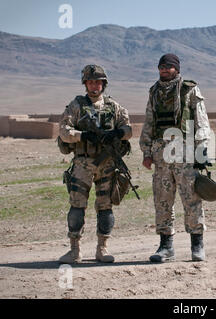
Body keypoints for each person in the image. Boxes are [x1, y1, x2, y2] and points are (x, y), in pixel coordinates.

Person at [140, 53, 211, 263]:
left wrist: (202, 150)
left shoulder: (189, 89)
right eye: (161, 66)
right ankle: (165, 246)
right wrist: (146, 151)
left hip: (185, 152)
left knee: (191, 199)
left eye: (168, 66)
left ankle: (197, 245)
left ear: (176, 69)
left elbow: (201, 120)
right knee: (162, 200)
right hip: (161, 154)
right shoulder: (154, 92)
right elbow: (149, 122)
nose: (164, 69)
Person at [58, 64, 132, 264]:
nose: (94, 86)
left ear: (103, 84)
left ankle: (102, 249)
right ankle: (74, 250)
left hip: (107, 164)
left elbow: (128, 129)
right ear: (85, 84)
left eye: (98, 82)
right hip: (83, 164)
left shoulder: (113, 106)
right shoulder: (76, 105)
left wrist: (117, 133)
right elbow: (64, 131)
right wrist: (83, 135)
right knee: (77, 207)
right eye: (90, 82)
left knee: (105, 207)